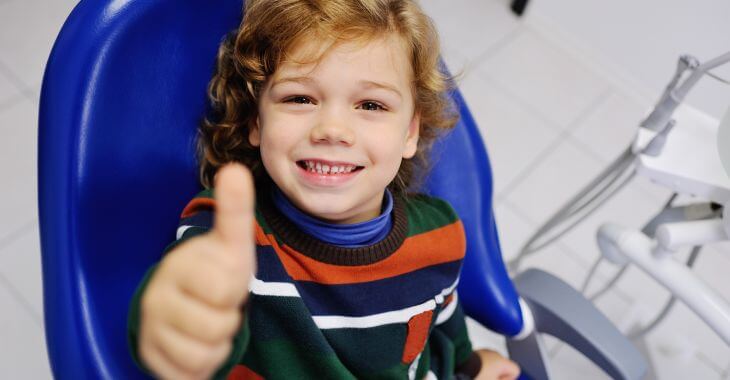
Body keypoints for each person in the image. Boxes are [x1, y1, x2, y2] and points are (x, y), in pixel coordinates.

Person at [127, 0, 521, 379]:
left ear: (410, 132)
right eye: (299, 98)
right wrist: (178, 327)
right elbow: (192, 314)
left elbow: (441, 318)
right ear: (257, 123)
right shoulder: (229, 238)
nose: (333, 129)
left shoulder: (440, 232)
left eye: (370, 105)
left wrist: (469, 364)